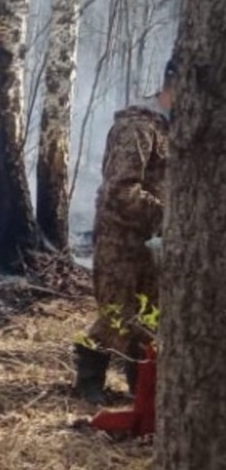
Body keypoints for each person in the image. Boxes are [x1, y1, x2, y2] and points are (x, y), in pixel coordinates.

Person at [73, 57, 174, 403]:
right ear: (173, 85)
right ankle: (88, 380)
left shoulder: (173, 129)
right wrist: (169, 216)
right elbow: (120, 190)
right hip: (121, 240)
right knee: (116, 315)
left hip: (152, 241)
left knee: (149, 318)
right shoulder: (138, 127)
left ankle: (141, 389)